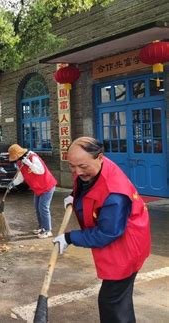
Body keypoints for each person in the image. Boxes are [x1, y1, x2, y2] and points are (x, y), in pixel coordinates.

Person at [53, 137, 151, 323]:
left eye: (82, 166)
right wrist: (75, 196)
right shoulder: (93, 166)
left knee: (111, 301)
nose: (77, 171)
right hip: (122, 236)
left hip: (127, 246)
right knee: (119, 299)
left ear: (100, 157)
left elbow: (107, 233)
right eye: (72, 166)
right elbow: (84, 184)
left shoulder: (115, 194)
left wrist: (70, 237)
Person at [8, 144, 57, 238]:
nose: (16, 159)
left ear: (20, 154)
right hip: (37, 188)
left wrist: (29, 163)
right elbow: (21, 176)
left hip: (47, 186)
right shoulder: (20, 162)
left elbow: (40, 171)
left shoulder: (32, 157)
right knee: (37, 208)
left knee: (43, 208)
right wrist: (13, 183)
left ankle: (47, 230)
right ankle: (42, 227)